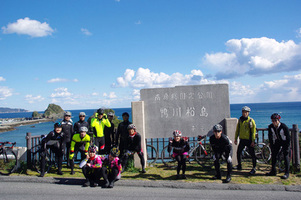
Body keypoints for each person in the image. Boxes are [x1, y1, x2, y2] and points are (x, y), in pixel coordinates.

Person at [266, 113, 291, 179]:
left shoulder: (284, 126)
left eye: (275, 121)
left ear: (278, 120)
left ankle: (287, 173)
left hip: (285, 142)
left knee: (285, 156)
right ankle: (273, 171)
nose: (274, 122)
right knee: (274, 156)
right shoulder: (271, 127)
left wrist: (287, 146)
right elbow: (270, 137)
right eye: (273, 121)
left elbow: (288, 137)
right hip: (277, 141)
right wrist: (272, 145)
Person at [234, 106, 257, 175]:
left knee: (252, 154)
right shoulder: (240, 120)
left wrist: (253, 141)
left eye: (246, 112)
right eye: (243, 112)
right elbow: (237, 129)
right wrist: (235, 138)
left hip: (249, 140)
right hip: (242, 139)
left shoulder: (251, 120)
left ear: (248, 113)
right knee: (238, 152)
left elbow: (253, 131)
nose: (244, 113)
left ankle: (254, 168)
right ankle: (239, 165)